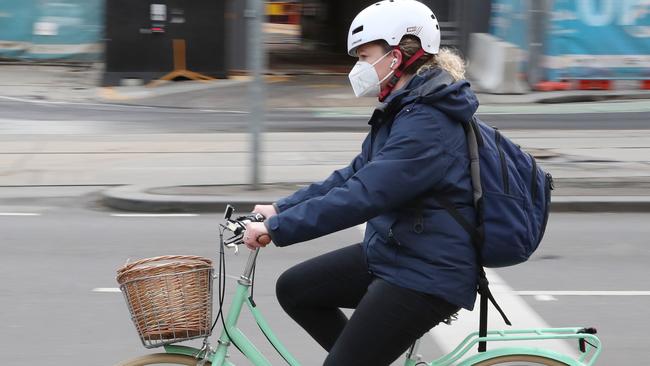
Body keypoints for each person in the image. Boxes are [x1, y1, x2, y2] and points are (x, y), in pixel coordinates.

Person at [243, 0, 480, 364]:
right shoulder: (405, 107)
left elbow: (364, 195)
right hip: (398, 250)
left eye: (365, 56)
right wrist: (281, 208)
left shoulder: (428, 121)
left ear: (397, 56)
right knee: (295, 289)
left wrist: (278, 228)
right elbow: (355, 174)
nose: (358, 67)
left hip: (428, 271)